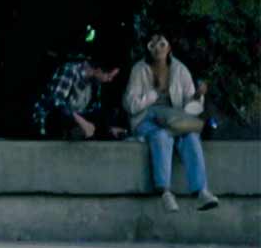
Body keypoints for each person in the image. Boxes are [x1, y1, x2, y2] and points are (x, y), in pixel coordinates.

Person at [124, 33, 217, 212]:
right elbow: (131, 105)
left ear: (169, 48)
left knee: (190, 136)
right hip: (147, 119)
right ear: (148, 49)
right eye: (153, 45)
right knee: (160, 136)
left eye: (162, 44)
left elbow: (192, 108)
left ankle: (201, 191)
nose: (158, 48)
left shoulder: (180, 70)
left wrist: (198, 96)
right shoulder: (139, 70)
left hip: (174, 120)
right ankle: (165, 192)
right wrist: (153, 95)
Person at [32, 55, 123, 140]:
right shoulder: (71, 70)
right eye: (109, 76)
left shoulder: (95, 82)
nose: (110, 80)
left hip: (72, 125)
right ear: (98, 70)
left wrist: (108, 128)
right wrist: (82, 122)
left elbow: (94, 110)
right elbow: (57, 102)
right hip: (49, 124)